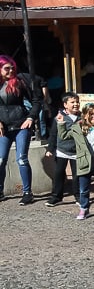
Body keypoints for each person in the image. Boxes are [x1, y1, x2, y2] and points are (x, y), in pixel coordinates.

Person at [0, 55, 41, 204]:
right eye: (7, 68)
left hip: (21, 125)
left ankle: (27, 192)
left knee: (21, 159)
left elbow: (37, 100)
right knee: (1, 159)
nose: (11, 70)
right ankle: (0, 191)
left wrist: (31, 118)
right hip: (4, 128)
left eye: (12, 68)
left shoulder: (20, 82)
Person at [45, 92, 81, 206]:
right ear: (65, 105)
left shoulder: (83, 117)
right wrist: (50, 149)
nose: (76, 104)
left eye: (77, 102)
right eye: (72, 102)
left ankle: (79, 196)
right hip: (62, 151)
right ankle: (56, 197)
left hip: (77, 152)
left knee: (77, 176)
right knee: (58, 174)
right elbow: (53, 134)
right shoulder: (59, 117)